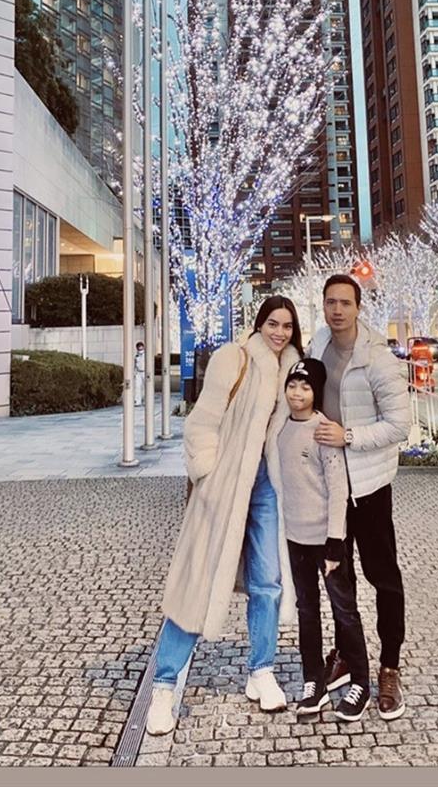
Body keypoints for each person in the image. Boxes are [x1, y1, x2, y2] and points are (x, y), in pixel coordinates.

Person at [146, 296, 303, 736]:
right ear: (259, 324)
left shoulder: (293, 370)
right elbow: (203, 421)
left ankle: (261, 669)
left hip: (267, 487)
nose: (279, 332)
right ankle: (163, 685)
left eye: (287, 326)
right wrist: (208, 473)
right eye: (272, 323)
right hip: (225, 483)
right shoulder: (234, 358)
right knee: (197, 580)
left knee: (268, 582)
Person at [308, 274, 411, 721]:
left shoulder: (378, 360)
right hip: (329, 487)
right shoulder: (317, 345)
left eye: (345, 303)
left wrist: (348, 436)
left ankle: (389, 667)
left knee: (383, 577)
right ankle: (348, 654)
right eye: (330, 302)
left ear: (358, 307)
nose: (337, 310)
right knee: (337, 577)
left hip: (368, 488)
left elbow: (399, 425)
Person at [273, 358, 370, 721]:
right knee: (307, 611)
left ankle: (360, 682)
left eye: (306, 387)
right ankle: (313, 681)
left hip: (326, 541)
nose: (297, 393)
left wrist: (335, 542)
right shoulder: (281, 429)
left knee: (344, 610)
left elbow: (338, 489)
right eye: (292, 385)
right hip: (294, 538)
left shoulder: (323, 431)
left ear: (316, 392)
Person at [134, 341, 145, 406]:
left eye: (141, 348)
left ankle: (147, 400)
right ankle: (138, 401)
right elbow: (135, 365)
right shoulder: (136, 356)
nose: (140, 350)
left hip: (145, 372)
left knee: (147, 386)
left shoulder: (146, 355)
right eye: (139, 348)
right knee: (137, 386)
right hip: (138, 372)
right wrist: (135, 373)